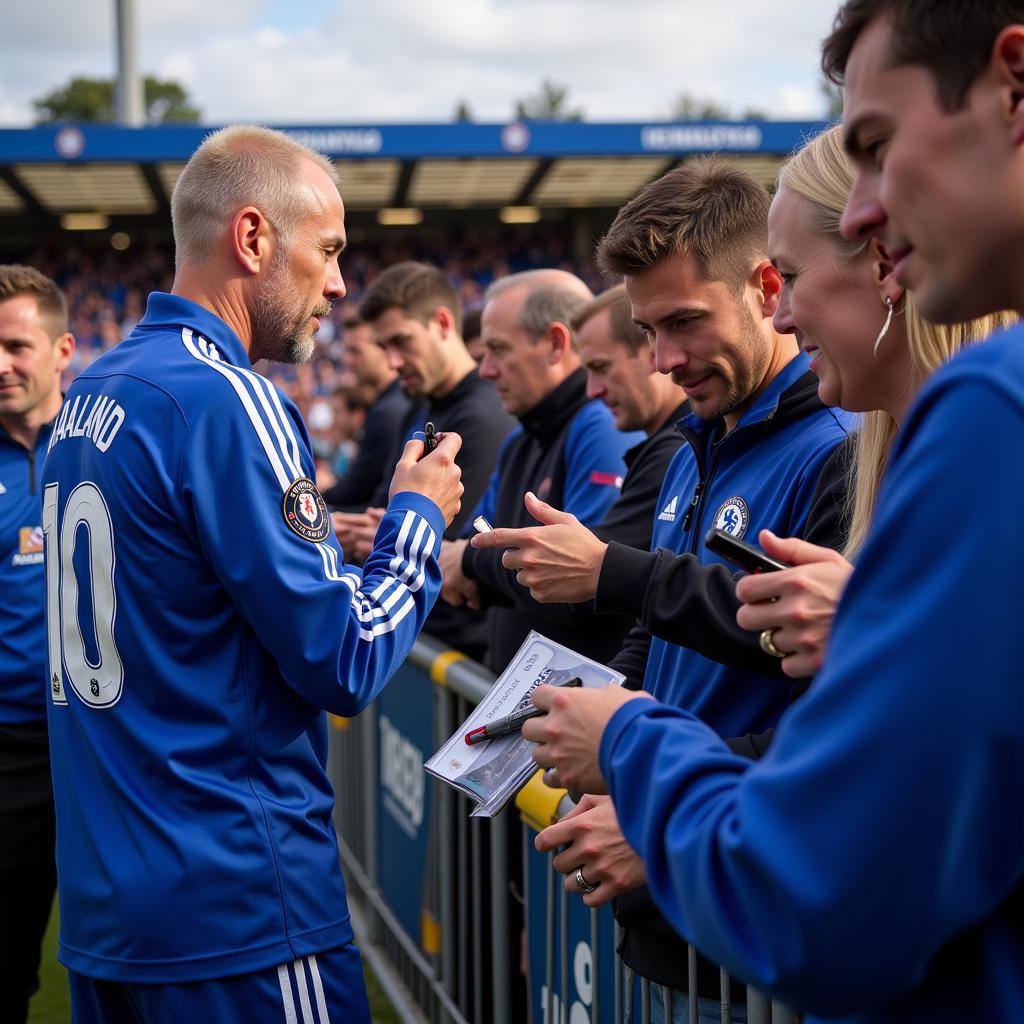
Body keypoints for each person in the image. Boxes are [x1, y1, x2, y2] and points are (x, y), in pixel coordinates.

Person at [521, 3, 1024, 1020]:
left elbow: (817, 894)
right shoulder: (743, 442)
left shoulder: (987, 409)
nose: (874, 215)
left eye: (877, 147)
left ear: (1012, 86)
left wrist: (632, 747)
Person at [41, 125, 463, 1022]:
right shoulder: (230, 399)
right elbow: (343, 658)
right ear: (253, 238)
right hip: (234, 902)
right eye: (331, 249)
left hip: (108, 902)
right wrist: (418, 520)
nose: (341, 285)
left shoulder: (89, 396)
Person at [476, 160, 852, 1021]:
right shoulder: (692, 443)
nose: (665, 359)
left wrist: (663, 812)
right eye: (649, 330)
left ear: (767, 288)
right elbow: (665, 633)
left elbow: (837, 709)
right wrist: (599, 728)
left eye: (685, 321)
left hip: (753, 910)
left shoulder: (838, 448)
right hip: (670, 905)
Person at [735, 124, 1014, 676]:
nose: (782, 316)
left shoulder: (997, 449)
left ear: (886, 266)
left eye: (790, 276)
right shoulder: (888, 463)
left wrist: (871, 623)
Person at [440, 269, 644, 671]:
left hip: (578, 708)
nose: (486, 370)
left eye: (498, 349)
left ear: (554, 344)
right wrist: (474, 559)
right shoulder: (521, 439)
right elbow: (475, 537)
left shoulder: (600, 426)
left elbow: (577, 583)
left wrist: (472, 562)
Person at [0, 265, 74, 1023]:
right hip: (8, 749)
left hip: (106, 740)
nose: (0, 365)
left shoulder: (110, 442)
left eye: (17, 345)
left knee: (143, 950)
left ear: (62, 350)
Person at [332, 261, 515, 560]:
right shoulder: (419, 405)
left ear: (442, 323)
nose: (392, 361)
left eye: (401, 342)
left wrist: (382, 533)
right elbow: (384, 506)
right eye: (383, 346)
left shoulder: (482, 415)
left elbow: (453, 544)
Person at [320, 314, 414, 510]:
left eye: (355, 351)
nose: (346, 359)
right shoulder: (386, 402)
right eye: (346, 350)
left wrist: (317, 491)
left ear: (383, 349)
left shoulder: (389, 410)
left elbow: (358, 491)